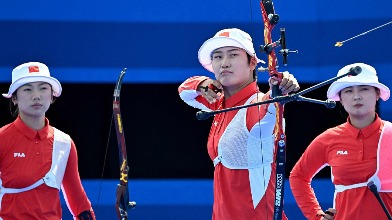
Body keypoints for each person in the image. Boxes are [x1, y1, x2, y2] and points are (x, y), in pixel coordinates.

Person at [178, 28, 300, 220]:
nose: (224, 63)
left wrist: (281, 86)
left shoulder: (258, 105)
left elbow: (271, 103)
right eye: (217, 57)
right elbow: (184, 91)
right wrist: (201, 84)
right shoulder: (218, 103)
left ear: (252, 62)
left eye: (233, 55)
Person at [289, 63, 392, 220]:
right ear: (341, 99)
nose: (356, 96)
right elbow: (298, 176)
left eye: (364, 89)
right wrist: (316, 216)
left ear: (377, 94)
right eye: (349, 91)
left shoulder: (389, 134)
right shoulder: (329, 139)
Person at [0, 62, 96, 219]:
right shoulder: (2, 140)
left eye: (43, 88)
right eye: (27, 89)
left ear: (52, 96)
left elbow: (79, 203)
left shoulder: (64, 143)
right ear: (15, 98)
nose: (36, 95)